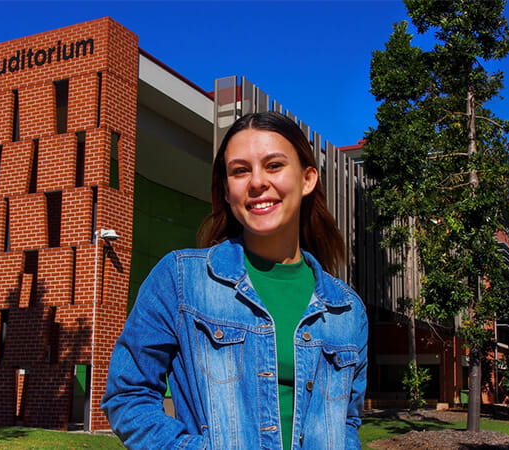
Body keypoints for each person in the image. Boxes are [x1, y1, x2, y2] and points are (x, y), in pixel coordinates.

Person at [102, 111, 368, 449]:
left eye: (274, 165)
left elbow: (347, 422)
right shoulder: (181, 278)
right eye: (240, 171)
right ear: (227, 191)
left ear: (307, 179)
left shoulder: (348, 310)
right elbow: (128, 395)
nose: (257, 182)